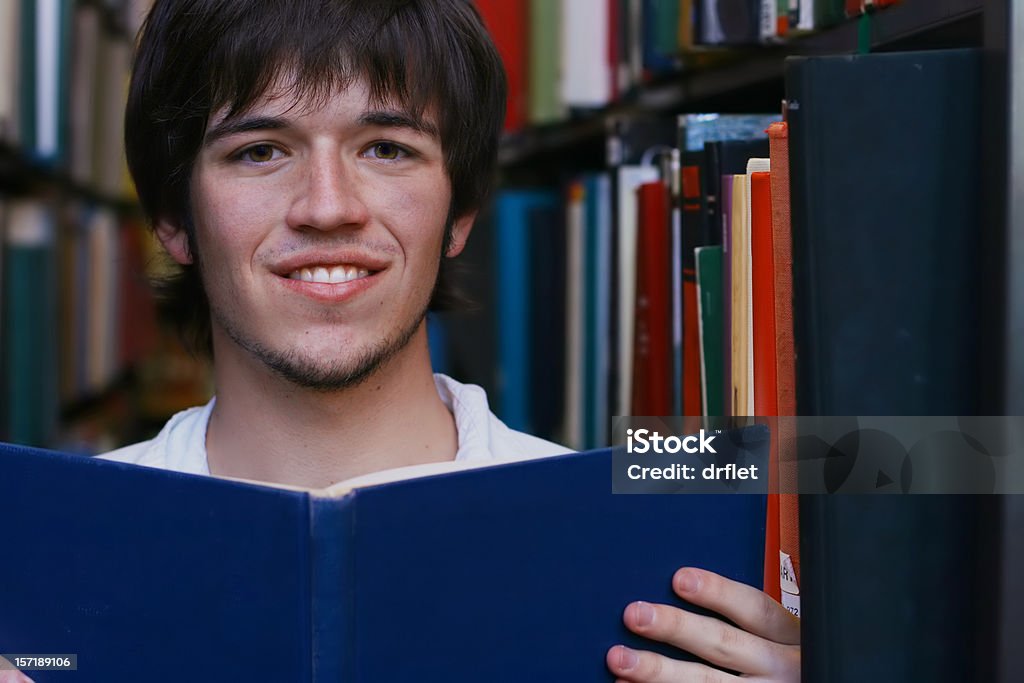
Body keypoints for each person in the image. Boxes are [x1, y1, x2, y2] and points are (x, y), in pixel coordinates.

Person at [1, 1, 799, 681]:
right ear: (174, 218)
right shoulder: (33, 556)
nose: (327, 206)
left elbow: (897, 459)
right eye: (259, 151)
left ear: (460, 213)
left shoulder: (661, 531)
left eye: (386, 148)